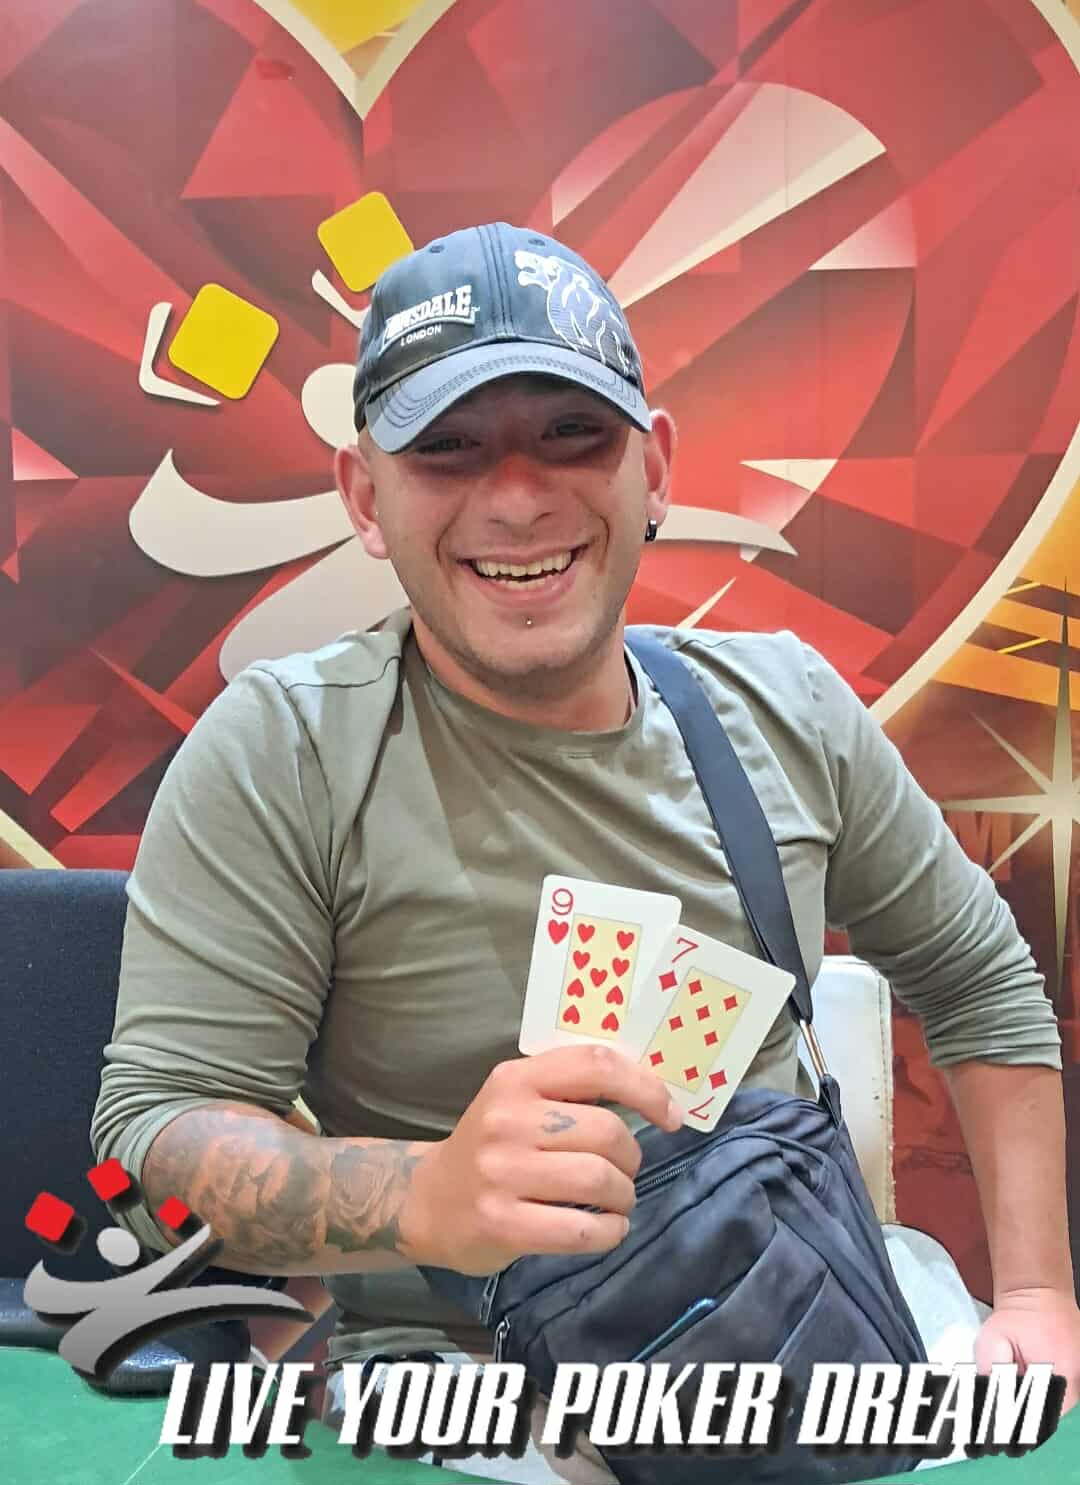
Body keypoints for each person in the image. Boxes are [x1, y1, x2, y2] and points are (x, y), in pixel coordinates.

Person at [92, 222, 1079, 1471]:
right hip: (475, 1393)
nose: (517, 497)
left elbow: (982, 978)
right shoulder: (283, 748)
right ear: (366, 497)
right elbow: (156, 1131)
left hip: (817, 1322)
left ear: (653, 469)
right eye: (448, 447)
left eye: (572, 433)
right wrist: (423, 1196)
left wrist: (1038, 1294)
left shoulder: (789, 706)